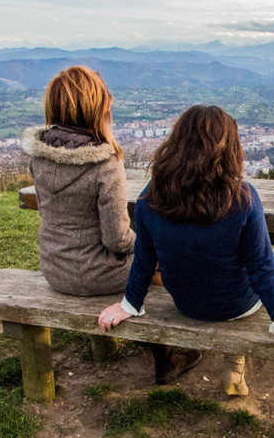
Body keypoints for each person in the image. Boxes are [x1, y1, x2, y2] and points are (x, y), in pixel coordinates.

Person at [97, 104, 274, 396]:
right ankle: (234, 365)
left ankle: (234, 364)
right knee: (240, 270)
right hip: (236, 306)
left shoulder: (150, 197)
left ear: (176, 144)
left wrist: (129, 305)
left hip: (187, 303)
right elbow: (261, 267)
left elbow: (144, 260)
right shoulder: (243, 198)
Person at [22, 65, 201, 385]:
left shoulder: (39, 156)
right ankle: (168, 351)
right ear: (95, 109)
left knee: (150, 266)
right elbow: (117, 239)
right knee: (159, 270)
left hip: (54, 267)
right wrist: (154, 251)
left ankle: (158, 345)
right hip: (96, 275)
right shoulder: (104, 163)